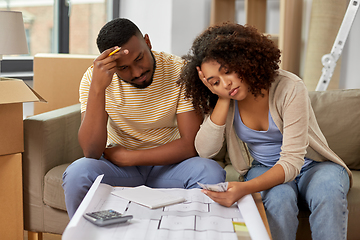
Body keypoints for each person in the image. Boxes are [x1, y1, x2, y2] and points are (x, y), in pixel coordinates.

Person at [178, 22, 352, 240]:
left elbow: (291, 162)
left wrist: (244, 188)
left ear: (243, 60)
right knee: (279, 199)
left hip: (313, 165)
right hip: (264, 167)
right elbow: (205, 150)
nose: (226, 83)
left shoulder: (289, 87)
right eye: (215, 81)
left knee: (328, 192)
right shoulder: (226, 98)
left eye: (228, 71)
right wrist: (222, 97)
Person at [62, 18, 226, 219]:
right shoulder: (94, 79)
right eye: (123, 68)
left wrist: (130, 157)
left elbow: (191, 145)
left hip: (171, 166)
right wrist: (98, 88)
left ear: (148, 42)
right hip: (120, 170)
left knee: (210, 173)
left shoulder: (179, 70)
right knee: (78, 173)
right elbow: (91, 151)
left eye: (140, 58)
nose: (137, 72)